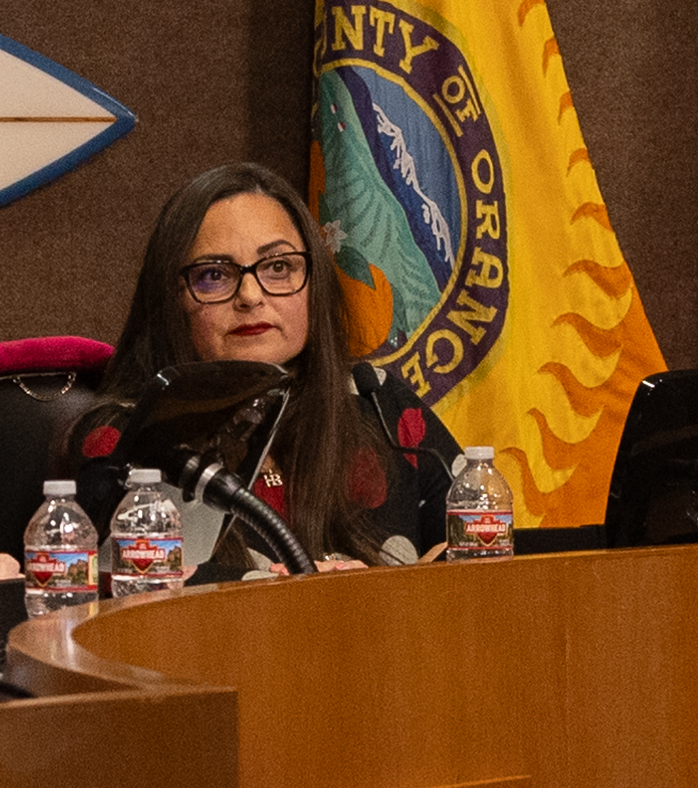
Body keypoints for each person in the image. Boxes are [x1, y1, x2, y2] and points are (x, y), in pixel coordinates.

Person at [62, 162, 449, 575]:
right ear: (171, 299)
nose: (250, 295)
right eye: (213, 275)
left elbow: (482, 535)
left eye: (278, 267)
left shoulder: (375, 400)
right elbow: (125, 593)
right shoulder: (128, 436)